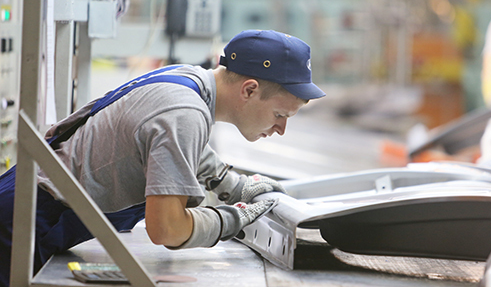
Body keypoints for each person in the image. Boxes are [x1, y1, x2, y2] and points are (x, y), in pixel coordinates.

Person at [0, 29, 325, 287]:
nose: (281, 129)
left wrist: (234, 185)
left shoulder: (188, 81)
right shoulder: (185, 112)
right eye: (280, 114)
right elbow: (167, 228)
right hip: (25, 221)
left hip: (26, 198)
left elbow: (171, 145)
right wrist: (232, 220)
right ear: (249, 90)